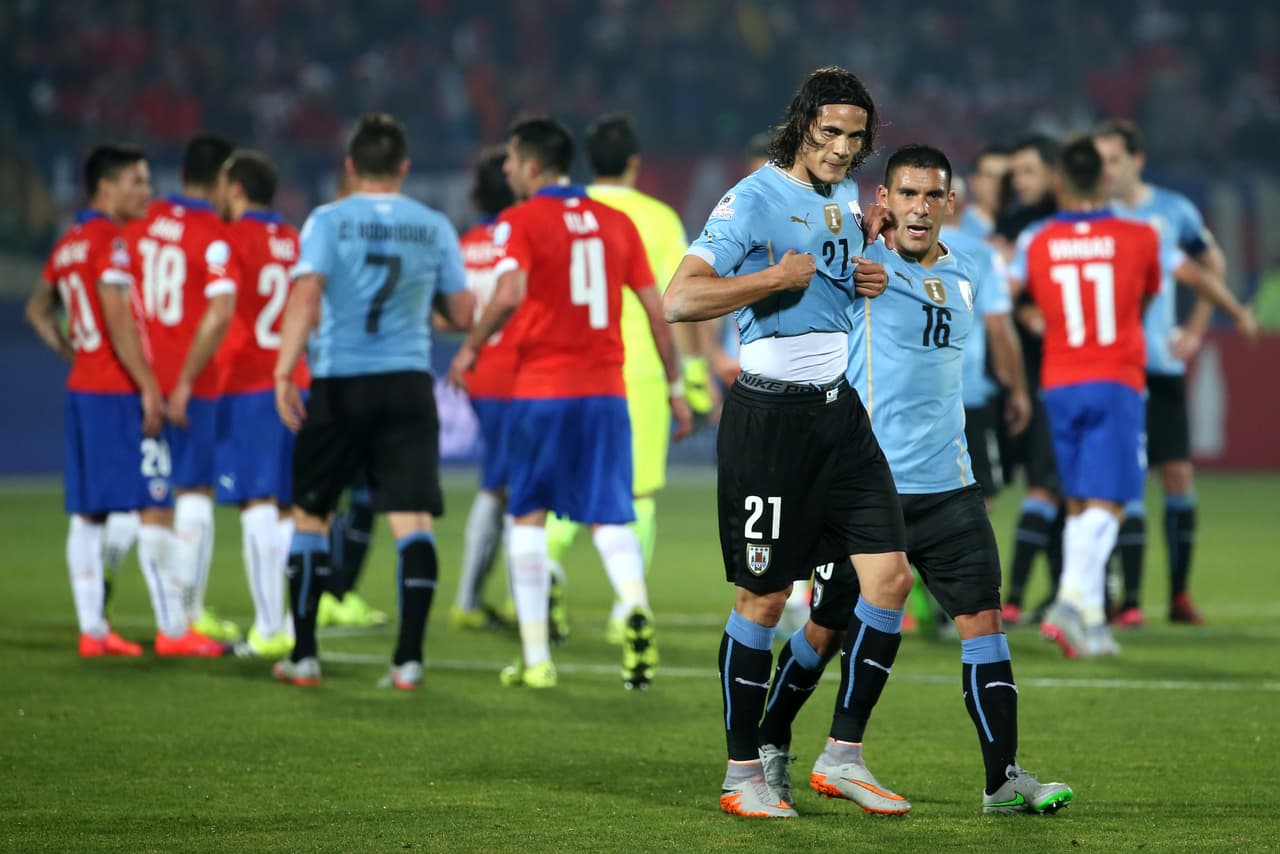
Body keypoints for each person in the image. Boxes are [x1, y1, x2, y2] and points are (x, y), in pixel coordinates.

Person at [754, 143, 1072, 818]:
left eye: (932, 196)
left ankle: (1002, 780)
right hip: (873, 490)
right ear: (885, 203)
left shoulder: (967, 269)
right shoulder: (862, 268)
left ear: (949, 204)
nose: (920, 208)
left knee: (984, 623)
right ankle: (776, 738)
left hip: (951, 485)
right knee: (824, 630)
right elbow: (804, 245)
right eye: (907, 194)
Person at [664, 66, 913, 820]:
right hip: (770, 423)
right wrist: (771, 278)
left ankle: (842, 757)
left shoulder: (839, 198)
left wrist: (856, 269)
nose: (841, 149)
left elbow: (823, 265)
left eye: (854, 138)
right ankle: (745, 773)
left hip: (840, 417)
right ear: (802, 123)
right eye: (829, 132)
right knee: (765, 596)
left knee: (889, 580)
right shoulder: (752, 197)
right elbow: (681, 298)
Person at [446, 116, 682, 692]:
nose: (505, 172)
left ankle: (535, 659)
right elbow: (656, 311)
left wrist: (470, 348)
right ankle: (631, 602)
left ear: (530, 166)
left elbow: (508, 293)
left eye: (509, 163)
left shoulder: (520, 221)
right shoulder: (616, 222)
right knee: (611, 512)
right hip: (606, 391)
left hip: (544, 391)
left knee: (526, 512)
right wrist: (675, 384)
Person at [273, 113, 473, 688]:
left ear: (351, 166)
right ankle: (408, 661)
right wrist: (421, 310)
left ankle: (304, 655)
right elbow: (462, 315)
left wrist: (285, 369)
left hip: (341, 382)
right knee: (411, 521)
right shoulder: (433, 225)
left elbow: (307, 296)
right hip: (408, 384)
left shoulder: (328, 220)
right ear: (404, 168)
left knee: (311, 515)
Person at [26, 143, 222, 658]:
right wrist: (148, 385)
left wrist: (72, 350)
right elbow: (116, 316)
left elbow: (37, 308)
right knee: (156, 504)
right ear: (106, 188)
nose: (147, 192)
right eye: (137, 182)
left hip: (83, 389)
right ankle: (174, 631)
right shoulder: (109, 240)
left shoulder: (69, 241)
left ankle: (93, 632)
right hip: (117, 392)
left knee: (88, 514)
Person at [1093, 119, 1260, 627]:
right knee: (1129, 479)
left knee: (1178, 473)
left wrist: (1197, 327)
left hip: (1160, 367)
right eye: (1098, 160)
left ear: (1135, 160)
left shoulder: (1169, 213)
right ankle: (1132, 601)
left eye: (1114, 158)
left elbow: (1210, 266)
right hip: (1115, 370)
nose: (1106, 169)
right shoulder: (1092, 217)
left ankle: (1180, 595)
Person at [542, 112, 694, 644]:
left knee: (564, 486)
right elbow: (674, 303)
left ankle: (549, 569)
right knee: (639, 494)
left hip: (572, 372)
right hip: (644, 375)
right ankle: (626, 606)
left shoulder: (566, 213)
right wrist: (685, 381)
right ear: (634, 162)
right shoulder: (657, 218)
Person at [1027, 137, 1161, 658]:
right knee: (1112, 502)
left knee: (1081, 501)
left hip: (1059, 379)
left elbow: (1043, 308)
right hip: (1115, 377)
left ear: (1059, 182)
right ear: (1104, 180)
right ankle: (1068, 600)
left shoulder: (1038, 244)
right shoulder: (1140, 236)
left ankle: (1093, 624)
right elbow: (1144, 297)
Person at [124, 133, 241, 642]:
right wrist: (188, 379)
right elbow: (219, 313)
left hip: (139, 380)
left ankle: (167, 619)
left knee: (152, 495)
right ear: (222, 179)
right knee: (194, 490)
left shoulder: (139, 224)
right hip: (193, 387)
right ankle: (186, 618)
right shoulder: (214, 233)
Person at [212, 149, 303, 659]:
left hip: (249, 383)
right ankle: (287, 622)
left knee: (256, 503)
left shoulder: (229, 241)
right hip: (298, 380)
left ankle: (269, 629)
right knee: (288, 505)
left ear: (238, 188)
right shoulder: (295, 241)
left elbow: (221, 311)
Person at [450, 144, 519, 631]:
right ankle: (475, 600)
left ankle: (479, 598)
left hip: (479, 378)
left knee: (503, 482)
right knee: (506, 486)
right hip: (514, 374)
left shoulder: (467, 241)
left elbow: (448, 308)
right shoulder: (519, 238)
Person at [999, 135, 1066, 625]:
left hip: (1053, 374)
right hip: (1018, 375)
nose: (1018, 181)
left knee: (1053, 486)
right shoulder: (1015, 227)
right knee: (1041, 485)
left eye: (1027, 171)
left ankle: (1044, 593)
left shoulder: (1055, 226)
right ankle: (1023, 594)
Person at [956, 143, 1011, 243]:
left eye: (1005, 177)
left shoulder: (1024, 230)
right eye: (990, 176)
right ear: (973, 182)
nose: (998, 184)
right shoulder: (955, 225)